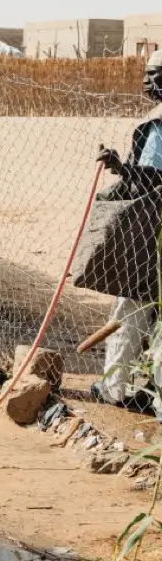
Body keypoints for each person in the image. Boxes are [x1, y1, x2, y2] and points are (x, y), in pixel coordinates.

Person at [86, 50, 162, 413]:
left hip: (154, 231)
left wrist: (122, 170)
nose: (147, 81)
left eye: (155, 74)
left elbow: (155, 179)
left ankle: (114, 388)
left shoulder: (159, 123)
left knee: (130, 308)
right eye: (147, 74)